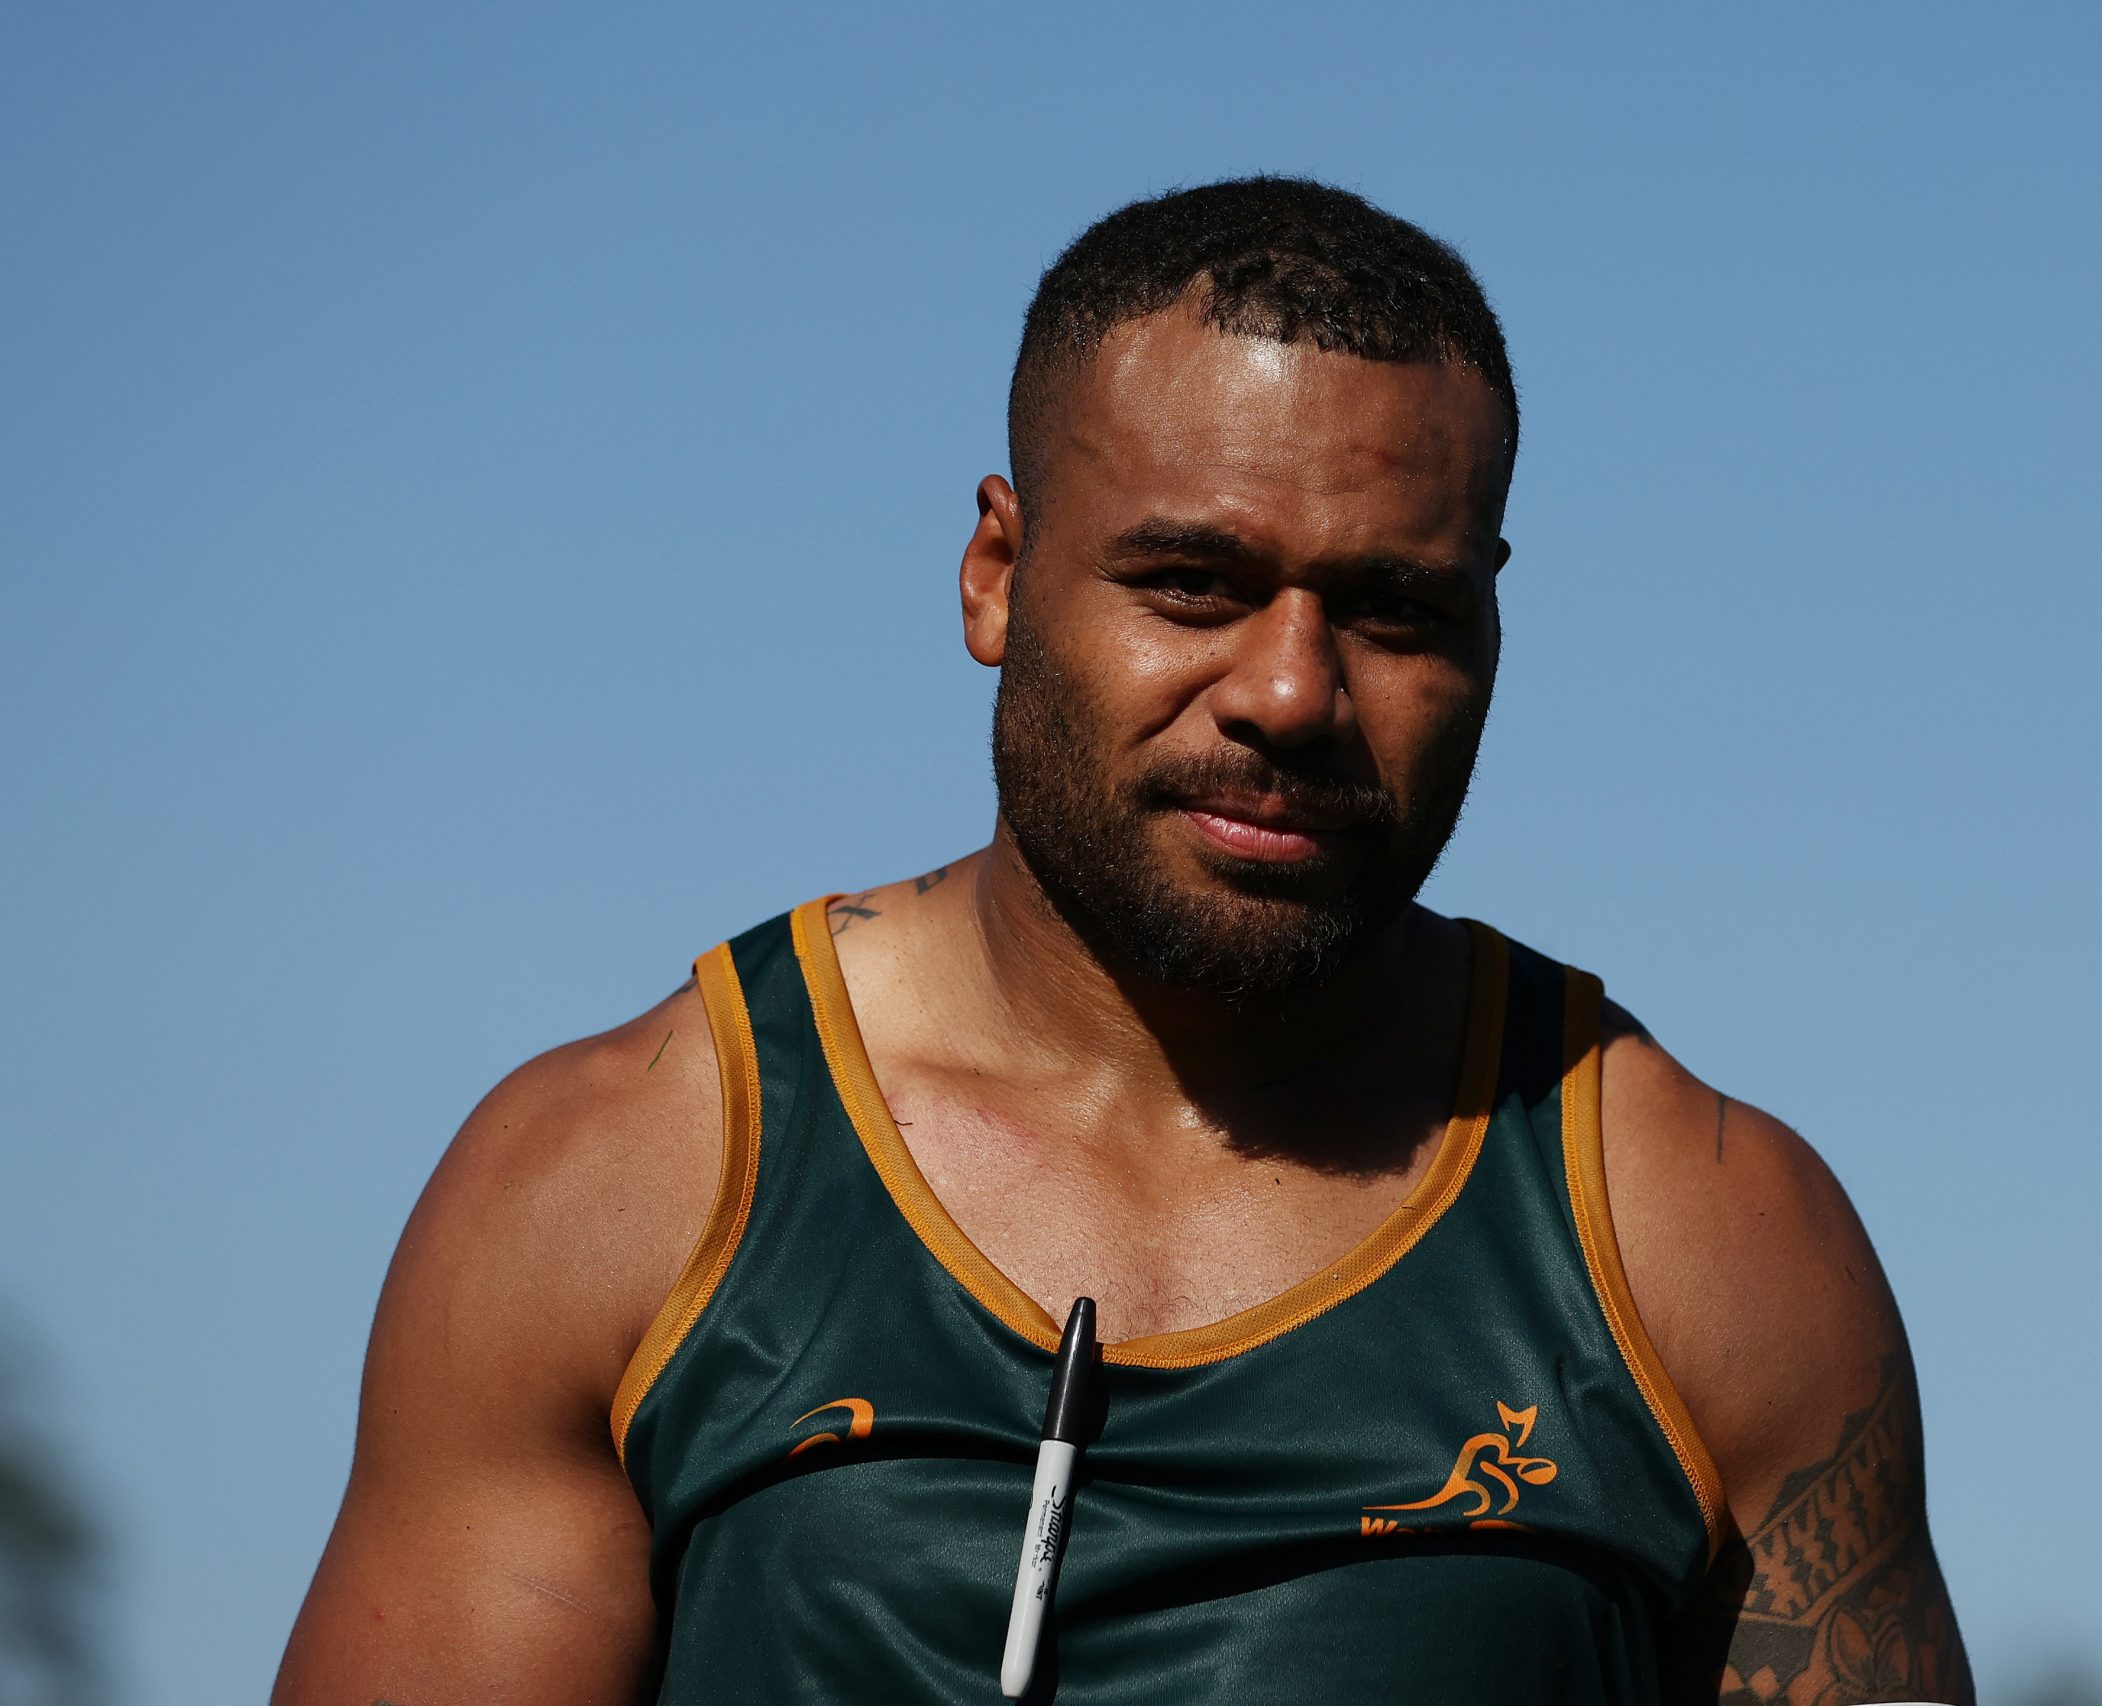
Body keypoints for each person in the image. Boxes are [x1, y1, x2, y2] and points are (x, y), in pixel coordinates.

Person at [275, 176, 1973, 1706]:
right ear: (998, 575)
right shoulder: (620, 1185)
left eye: (1395, 610)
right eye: (1193, 586)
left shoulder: (1704, 1246)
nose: (1294, 692)